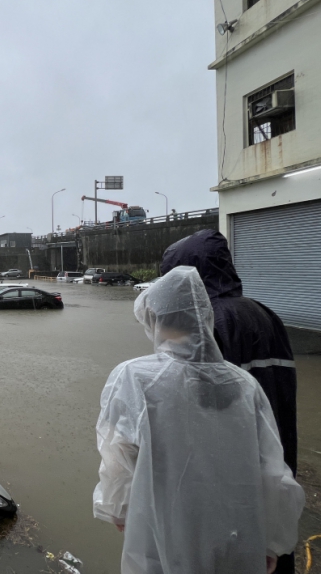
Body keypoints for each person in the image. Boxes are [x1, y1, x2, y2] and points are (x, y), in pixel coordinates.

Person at [93, 266, 304, 574]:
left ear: (155, 318)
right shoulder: (244, 384)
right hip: (236, 540)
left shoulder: (135, 377)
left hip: (161, 535)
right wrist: (271, 541)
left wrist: (119, 507)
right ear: (205, 316)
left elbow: (118, 454)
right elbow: (271, 469)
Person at [160, 230, 298, 574]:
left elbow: (203, 407)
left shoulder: (207, 321)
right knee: (274, 549)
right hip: (278, 452)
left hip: (232, 476)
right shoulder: (265, 313)